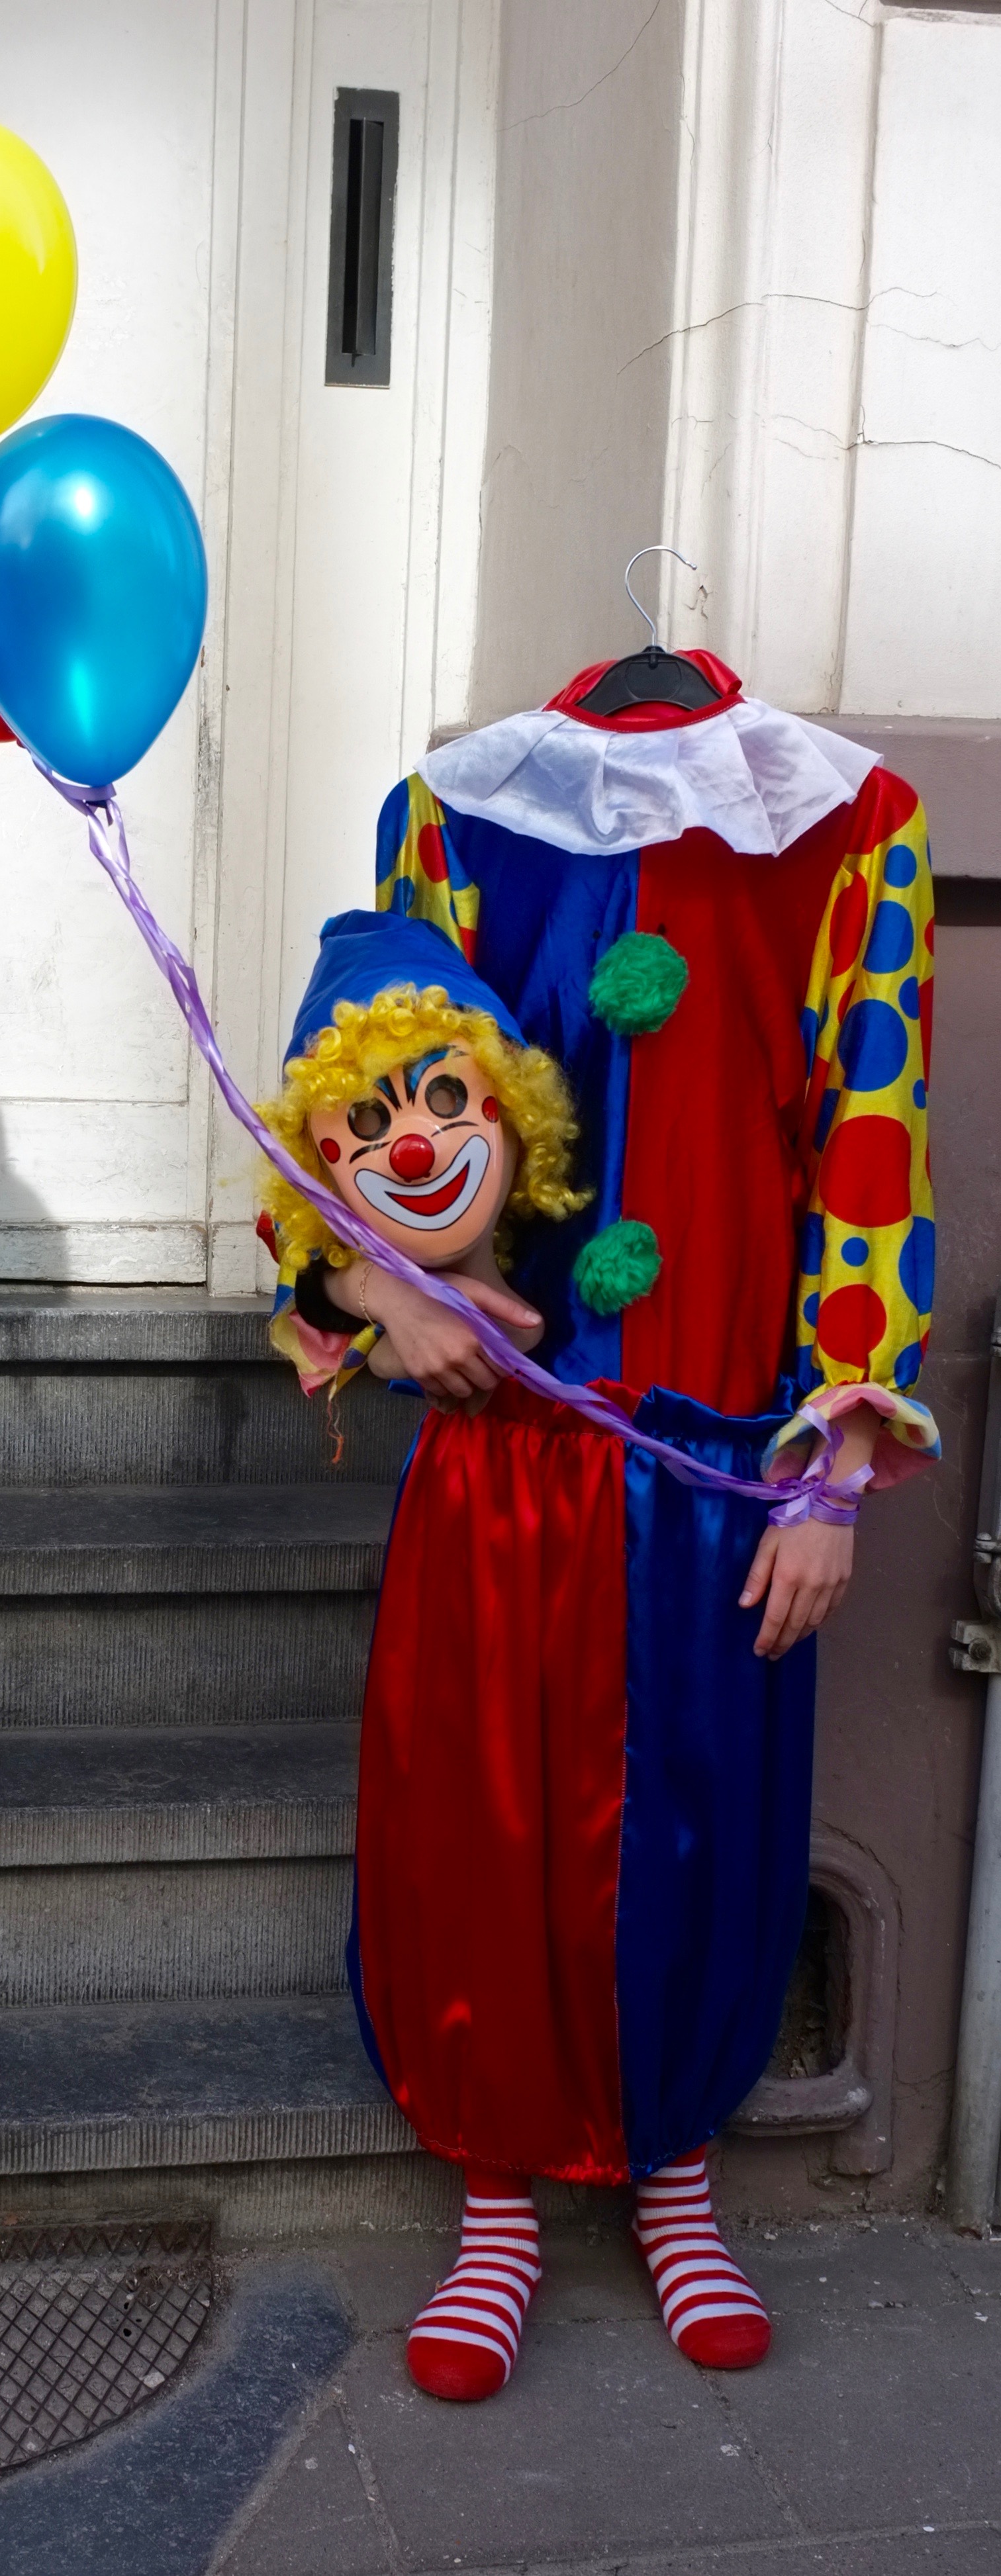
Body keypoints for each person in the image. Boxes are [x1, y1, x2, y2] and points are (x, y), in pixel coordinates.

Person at [259, 657, 939, 2400]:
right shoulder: (451, 820)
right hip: (502, 1451)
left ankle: (673, 2181)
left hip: (718, 1468)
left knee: (707, 1823)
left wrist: (831, 1468)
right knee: (478, 1827)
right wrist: (372, 1288)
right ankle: (495, 2203)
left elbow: (872, 1141)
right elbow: (353, 1104)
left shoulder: (852, 829)